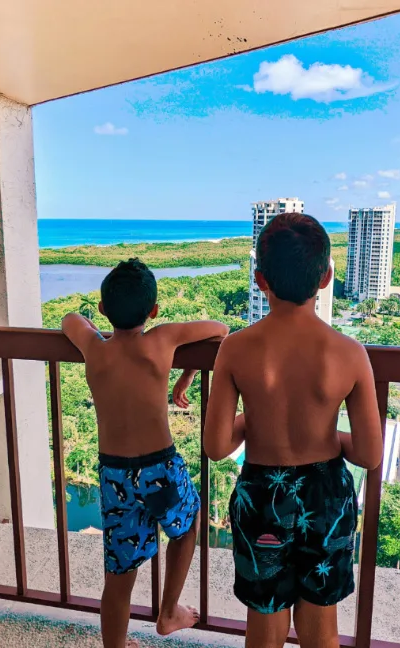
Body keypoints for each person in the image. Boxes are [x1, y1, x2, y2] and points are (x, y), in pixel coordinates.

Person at [202, 213, 384, 648]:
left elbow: (216, 445)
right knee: (321, 624)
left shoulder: (235, 348)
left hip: (262, 494)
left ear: (261, 280)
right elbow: (370, 454)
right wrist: (329, 435)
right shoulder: (350, 353)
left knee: (264, 620)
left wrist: (256, 419)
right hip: (327, 497)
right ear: (325, 278)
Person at [62, 258, 229, 648]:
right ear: (153, 311)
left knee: (118, 577)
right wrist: (186, 373)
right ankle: (168, 610)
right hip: (160, 467)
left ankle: (115, 646)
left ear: (103, 309)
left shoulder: (94, 348)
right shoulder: (162, 339)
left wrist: (93, 322)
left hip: (114, 474)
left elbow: (70, 318)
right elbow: (220, 329)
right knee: (187, 527)